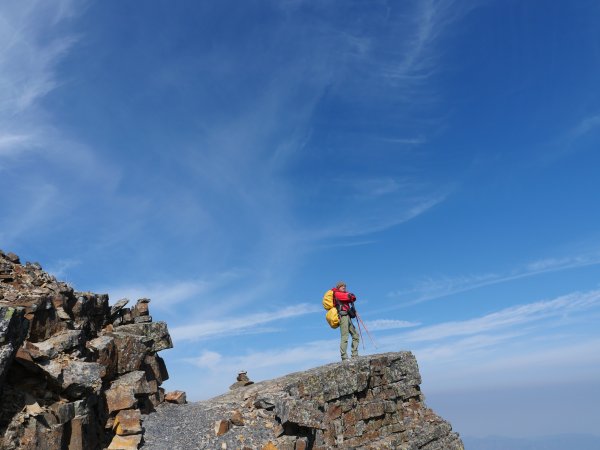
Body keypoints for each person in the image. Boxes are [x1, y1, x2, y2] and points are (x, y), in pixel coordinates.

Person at [332, 281, 359, 361]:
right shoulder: (337, 294)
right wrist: (350, 295)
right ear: (338, 287)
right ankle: (344, 357)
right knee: (345, 336)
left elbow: (353, 297)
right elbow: (349, 297)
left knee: (355, 336)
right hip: (343, 316)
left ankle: (354, 354)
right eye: (342, 286)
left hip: (347, 316)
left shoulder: (343, 294)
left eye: (344, 286)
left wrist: (350, 296)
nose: (344, 287)